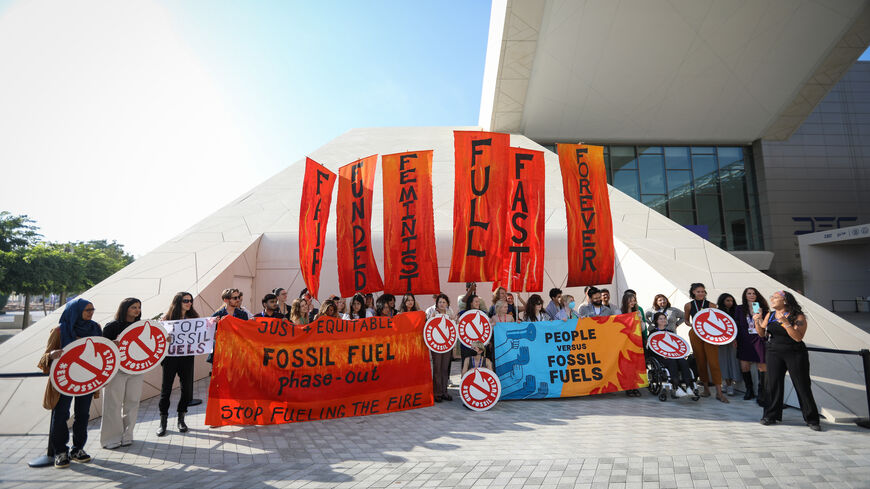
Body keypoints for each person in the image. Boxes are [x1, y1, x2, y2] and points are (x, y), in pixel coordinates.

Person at [38, 298, 101, 468]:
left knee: (83, 415)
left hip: (87, 380)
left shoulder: (95, 328)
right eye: (87, 310)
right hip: (64, 382)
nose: (91, 313)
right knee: (61, 415)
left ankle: (78, 449)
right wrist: (52, 355)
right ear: (76, 311)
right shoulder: (59, 331)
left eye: (92, 309)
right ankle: (60, 451)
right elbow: (43, 359)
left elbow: (101, 353)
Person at [755, 291, 821, 431]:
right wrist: (757, 321)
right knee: (772, 384)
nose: (772, 299)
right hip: (773, 352)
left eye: (775, 297)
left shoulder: (798, 316)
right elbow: (762, 334)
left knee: (802, 385)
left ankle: (812, 419)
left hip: (794, 352)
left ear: (784, 301)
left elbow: (798, 337)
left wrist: (786, 323)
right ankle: (770, 416)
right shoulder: (770, 315)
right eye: (771, 297)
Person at [100, 298, 145, 449]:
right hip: (116, 370)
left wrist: (165, 340)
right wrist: (111, 344)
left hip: (136, 369)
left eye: (138, 307)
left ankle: (127, 435)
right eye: (133, 307)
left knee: (133, 402)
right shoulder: (112, 326)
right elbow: (101, 349)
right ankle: (110, 439)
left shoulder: (141, 326)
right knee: (113, 404)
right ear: (125, 308)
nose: (137, 310)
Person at [158, 292, 199, 437]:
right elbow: (159, 338)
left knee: (186, 390)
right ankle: (163, 421)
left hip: (187, 357)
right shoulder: (166, 319)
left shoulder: (194, 318)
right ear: (178, 302)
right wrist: (165, 336)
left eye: (190, 300)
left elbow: (202, 331)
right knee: (166, 390)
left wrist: (212, 323)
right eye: (185, 300)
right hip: (170, 358)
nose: (189, 303)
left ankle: (181, 418)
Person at [683, 283, 727, 403]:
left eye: (703, 291)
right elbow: (686, 320)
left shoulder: (712, 305)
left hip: (710, 334)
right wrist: (691, 325)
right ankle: (706, 389)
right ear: (693, 292)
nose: (701, 293)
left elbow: (718, 321)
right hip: (695, 333)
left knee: (714, 362)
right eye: (698, 291)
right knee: (700, 362)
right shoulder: (688, 305)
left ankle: (719, 392)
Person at [649, 312, 696, 398]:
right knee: (672, 362)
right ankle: (677, 387)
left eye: (664, 318)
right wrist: (662, 354)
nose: (663, 320)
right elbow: (651, 348)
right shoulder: (653, 333)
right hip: (661, 356)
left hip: (673, 355)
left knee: (683, 361)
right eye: (660, 319)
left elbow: (676, 345)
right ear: (656, 321)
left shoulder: (671, 332)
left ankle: (689, 386)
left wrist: (682, 354)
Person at [735, 287, 769, 403]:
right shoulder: (739, 308)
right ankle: (749, 390)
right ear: (745, 296)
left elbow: (766, 324)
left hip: (759, 338)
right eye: (749, 293)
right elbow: (736, 324)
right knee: (744, 365)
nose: (751, 295)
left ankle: (762, 392)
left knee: (762, 366)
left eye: (754, 293)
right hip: (744, 339)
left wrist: (759, 315)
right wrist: (735, 339)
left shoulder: (762, 308)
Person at [428, 293, 455, 402]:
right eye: (440, 302)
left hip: (447, 345)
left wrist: (454, 320)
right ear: (437, 303)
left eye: (444, 302)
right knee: (437, 368)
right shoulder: (433, 313)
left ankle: (444, 391)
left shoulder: (450, 313)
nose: (442, 304)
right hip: (436, 345)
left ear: (447, 303)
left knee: (445, 368)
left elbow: (453, 329)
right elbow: (429, 328)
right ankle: (437, 393)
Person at [716, 293, 741, 396]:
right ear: (722, 301)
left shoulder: (736, 311)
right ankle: (726, 383)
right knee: (723, 362)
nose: (730, 303)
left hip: (733, 341)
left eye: (731, 301)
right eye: (727, 300)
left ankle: (730, 384)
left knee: (733, 361)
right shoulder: (717, 312)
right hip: (721, 341)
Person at [620, 291, 645, 397]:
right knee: (626, 366)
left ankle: (635, 387)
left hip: (636, 342)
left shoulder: (638, 312)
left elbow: (642, 328)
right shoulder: (619, 312)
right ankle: (628, 387)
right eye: (631, 301)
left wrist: (640, 320)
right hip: (624, 343)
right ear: (626, 301)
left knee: (636, 365)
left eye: (634, 301)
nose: (633, 303)